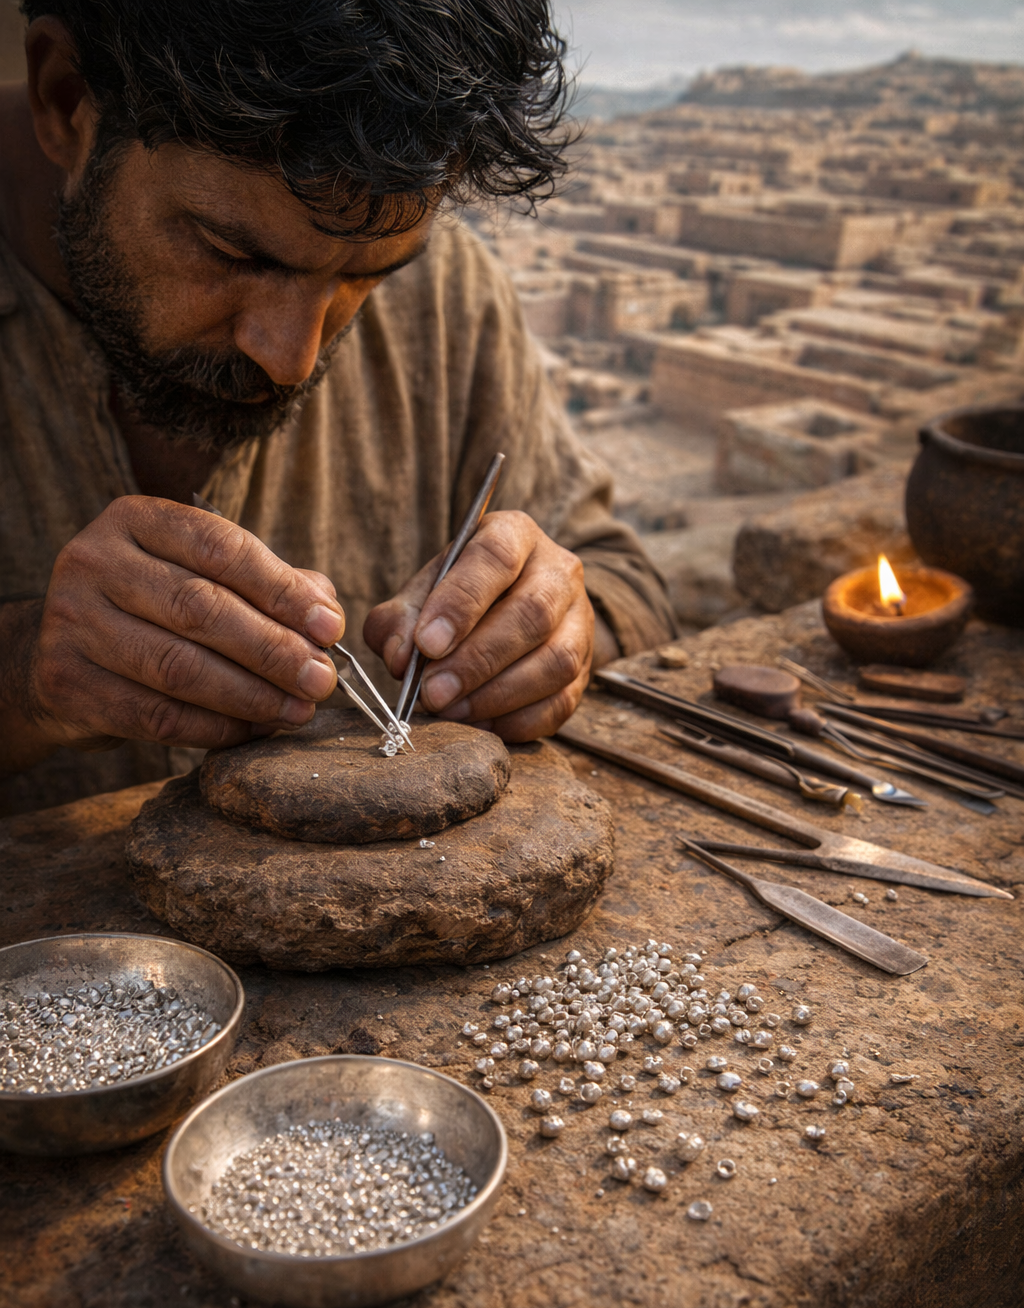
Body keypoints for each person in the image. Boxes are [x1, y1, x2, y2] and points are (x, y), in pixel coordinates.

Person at [0, 0, 675, 817]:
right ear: (67, 99)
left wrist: (554, 631)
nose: (292, 360)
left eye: (365, 278)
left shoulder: (447, 289)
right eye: (232, 251)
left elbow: (624, 585)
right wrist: (21, 675)